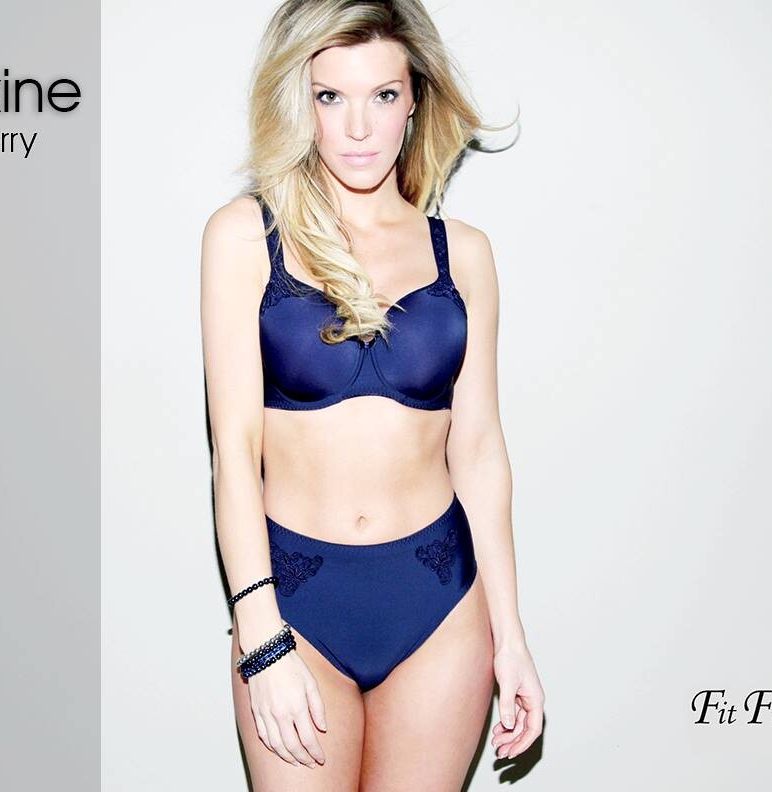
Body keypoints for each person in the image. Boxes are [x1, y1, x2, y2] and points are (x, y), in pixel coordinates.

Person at [200, 1, 543, 788]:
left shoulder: (465, 255)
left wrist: (512, 637)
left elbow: (479, 450)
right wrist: (261, 634)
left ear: (414, 98)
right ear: (302, 102)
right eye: (331, 96)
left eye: (383, 95)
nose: (358, 127)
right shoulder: (244, 237)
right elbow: (233, 454)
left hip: (441, 607)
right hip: (293, 606)